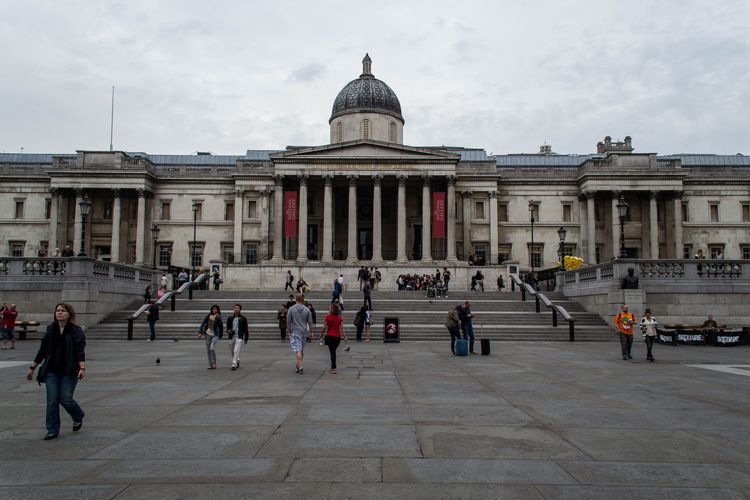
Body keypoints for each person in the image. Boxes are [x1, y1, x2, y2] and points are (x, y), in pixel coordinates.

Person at [25, 303, 86, 441]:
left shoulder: (76, 331)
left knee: (65, 399)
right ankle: (52, 429)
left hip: (69, 370)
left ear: (69, 314)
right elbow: (43, 350)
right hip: (51, 370)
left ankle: (78, 415)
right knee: (52, 400)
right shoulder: (51, 329)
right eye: (57, 310)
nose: (59, 313)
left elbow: (79, 351)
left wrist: (82, 368)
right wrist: (32, 368)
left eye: (63, 311)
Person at [287, 293, 314, 374]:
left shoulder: (291, 309)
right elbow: (310, 322)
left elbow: (288, 322)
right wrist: (311, 332)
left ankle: (300, 366)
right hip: (304, 332)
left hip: (295, 331)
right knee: (301, 350)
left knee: (298, 350)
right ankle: (299, 364)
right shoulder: (307, 309)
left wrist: (289, 330)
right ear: (302, 300)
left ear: (296, 299)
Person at [321, 303, 349, 374]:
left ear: (332, 309)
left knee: (332, 352)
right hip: (337, 338)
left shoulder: (327, 317)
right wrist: (345, 338)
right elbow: (342, 329)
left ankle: (334, 368)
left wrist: (321, 334)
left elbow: (324, 327)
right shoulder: (340, 318)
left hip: (330, 336)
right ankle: (332, 367)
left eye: (330, 308)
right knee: (333, 352)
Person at [198, 305, 223, 369]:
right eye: (213, 309)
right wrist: (200, 332)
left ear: (218, 310)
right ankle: (210, 364)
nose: (214, 310)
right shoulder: (208, 316)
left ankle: (214, 362)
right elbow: (203, 323)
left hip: (215, 334)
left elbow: (220, 324)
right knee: (208, 350)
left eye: (216, 309)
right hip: (208, 334)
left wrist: (217, 317)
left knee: (212, 348)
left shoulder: (219, 317)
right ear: (211, 310)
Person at [226, 304, 249, 370]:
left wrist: (246, 338)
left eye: (237, 308)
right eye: (235, 308)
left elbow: (246, 329)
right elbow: (227, 327)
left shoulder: (243, 319)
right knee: (232, 350)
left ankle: (234, 364)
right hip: (231, 336)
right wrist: (229, 331)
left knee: (236, 350)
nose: (236, 309)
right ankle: (237, 359)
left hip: (239, 336)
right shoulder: (230, 318)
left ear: (240, 310)